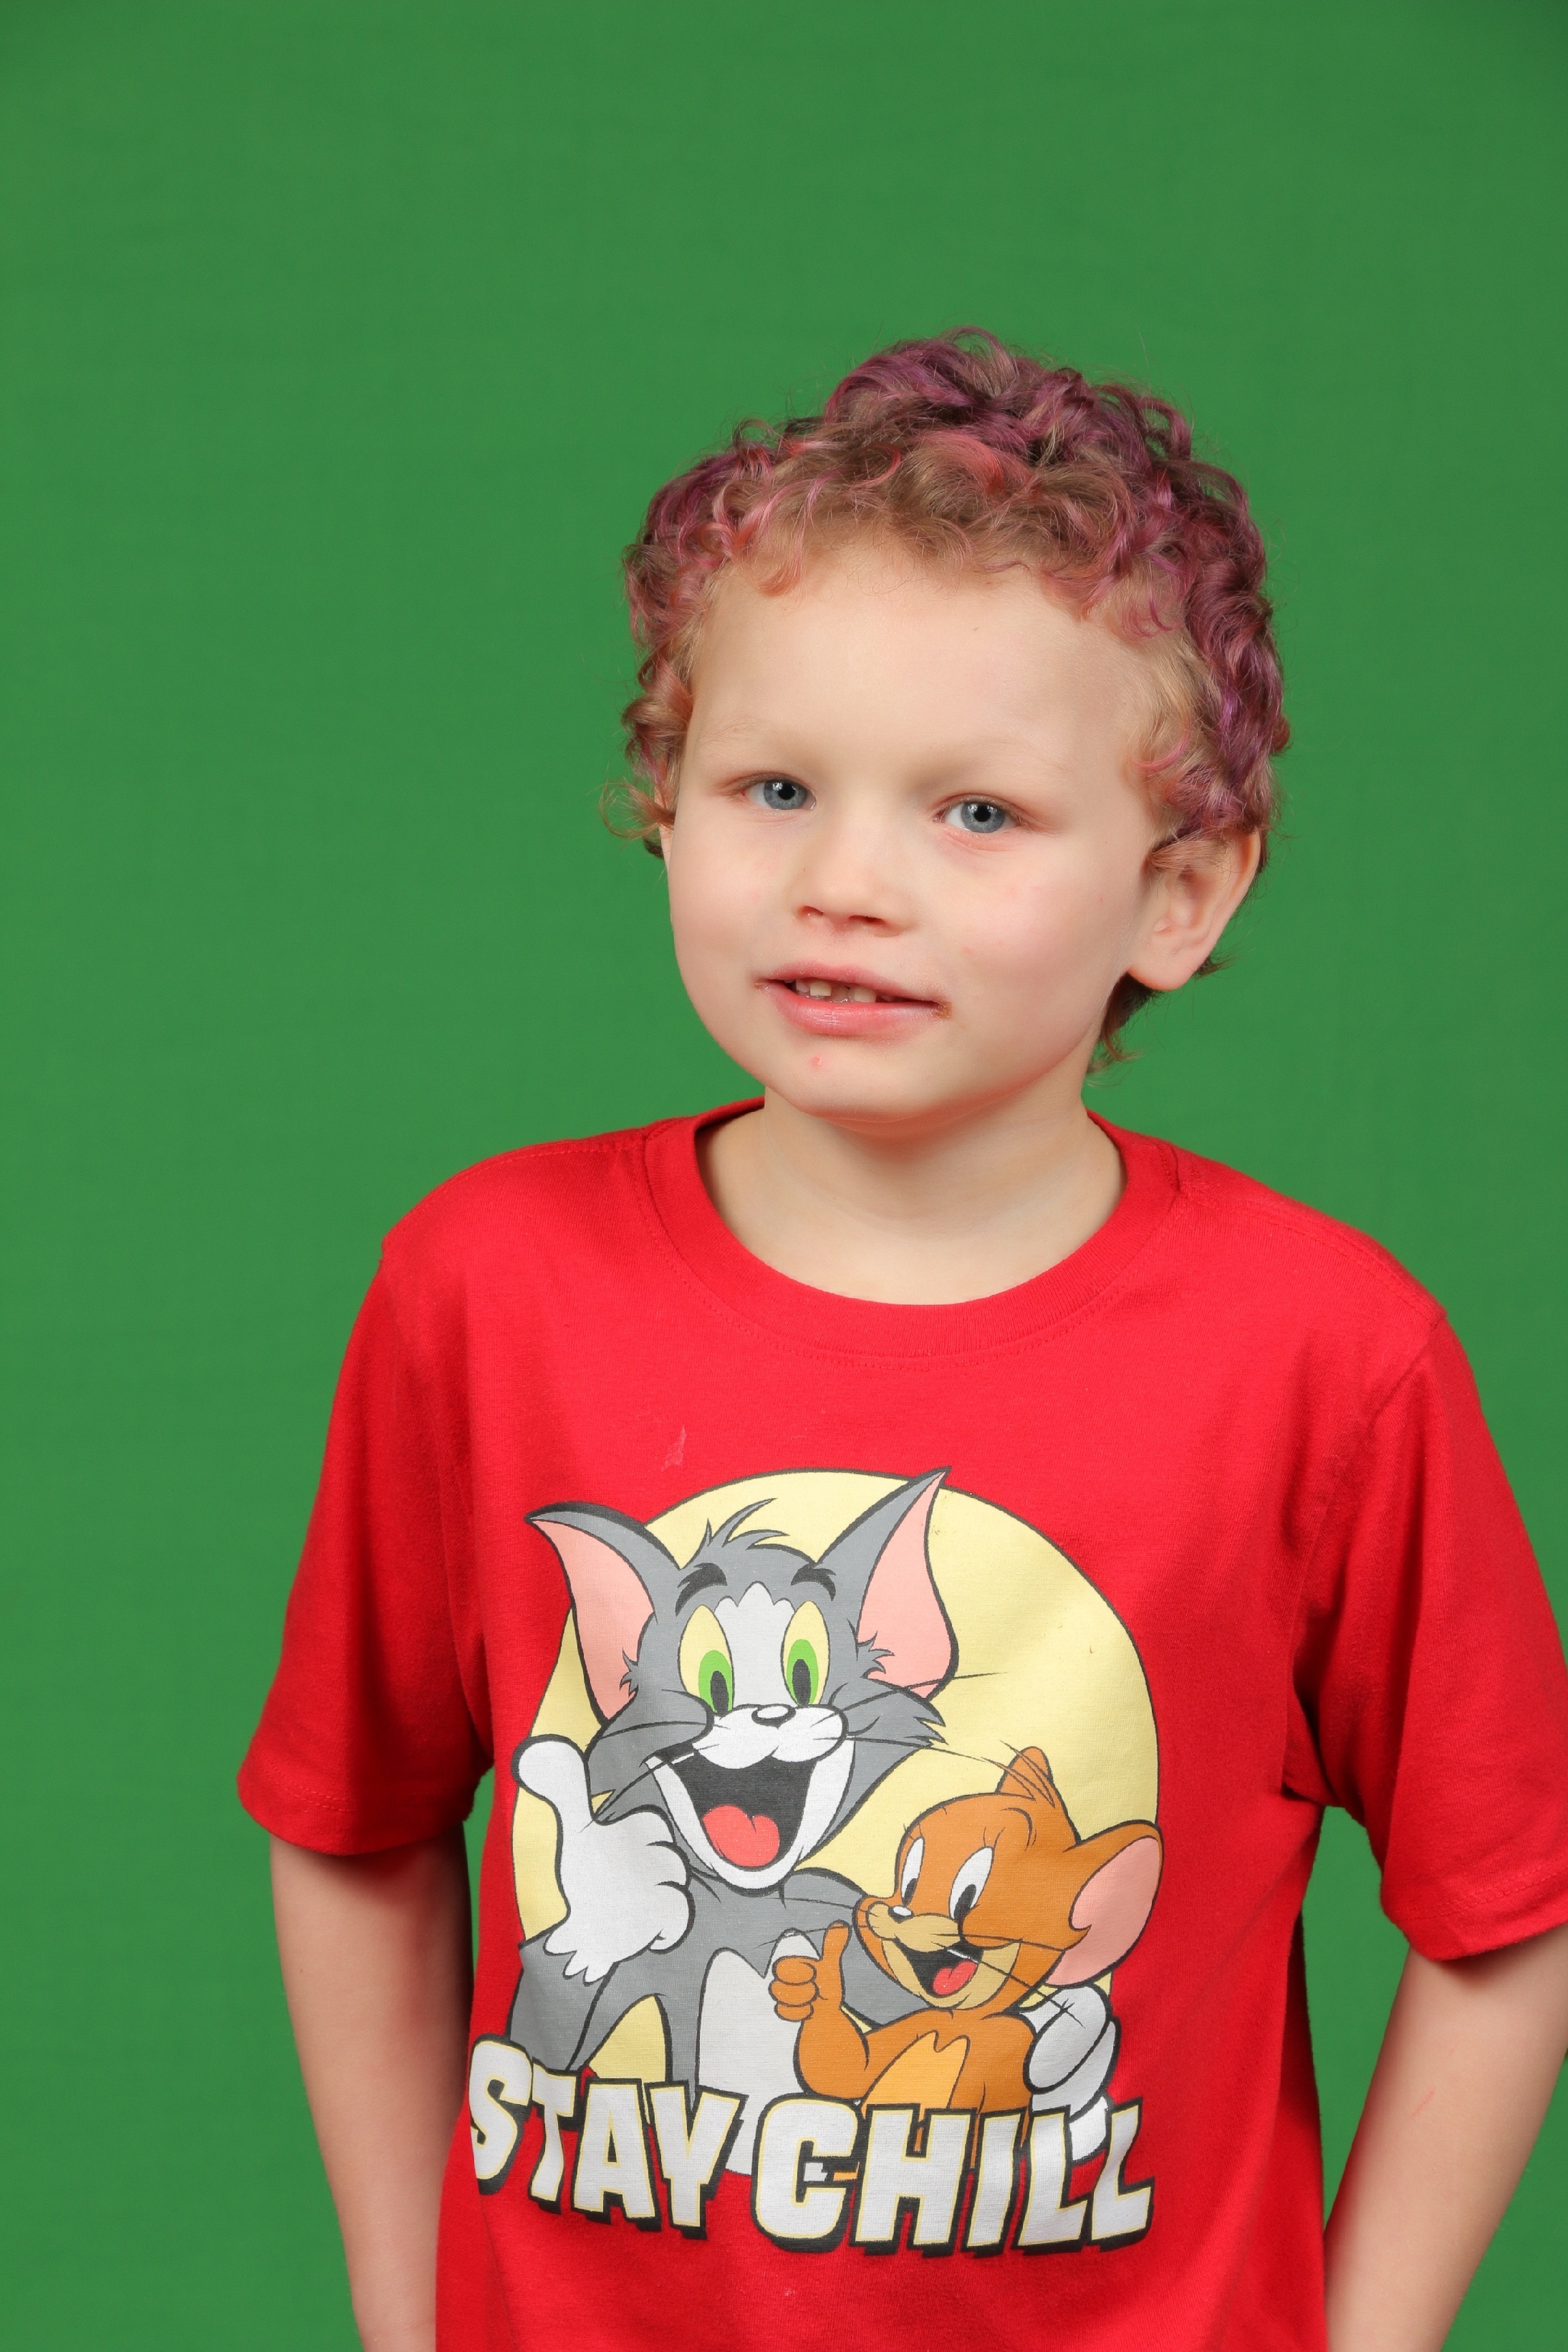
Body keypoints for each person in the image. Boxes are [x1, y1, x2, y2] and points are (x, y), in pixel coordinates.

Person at [240, 331, 1568, 2352]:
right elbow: (353, 1825)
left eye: (977, 810)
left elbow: (1511, 1911)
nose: (845, 883)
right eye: (774, 786)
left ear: (1182, 893)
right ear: (667, 804)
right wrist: (406, 2307)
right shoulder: (480, 1288)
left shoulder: (1330, 1357)